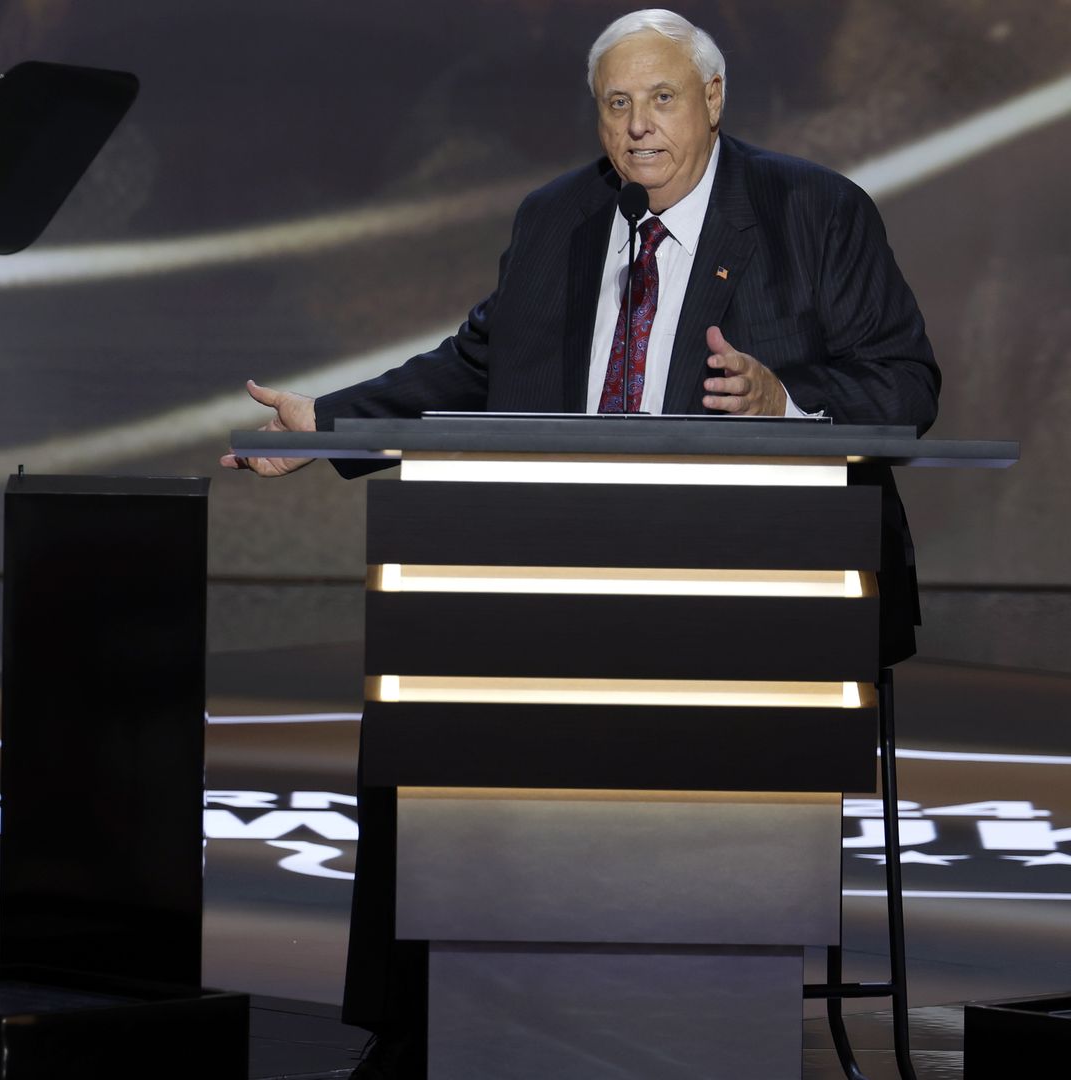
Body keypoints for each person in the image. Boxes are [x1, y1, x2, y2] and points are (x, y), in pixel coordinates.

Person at [220, 8, 941, 1075]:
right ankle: (421, 1024)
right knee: (424, 692)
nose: (639, 127)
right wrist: (332, 424)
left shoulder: (812, 213)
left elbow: (906, 384)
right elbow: (474, 364)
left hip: (760, 593)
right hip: (557, 575)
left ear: (714, 101)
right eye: (616, 104)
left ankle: (693, 1024)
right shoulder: (558, 216)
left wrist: (786, 400)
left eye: (661, 99)